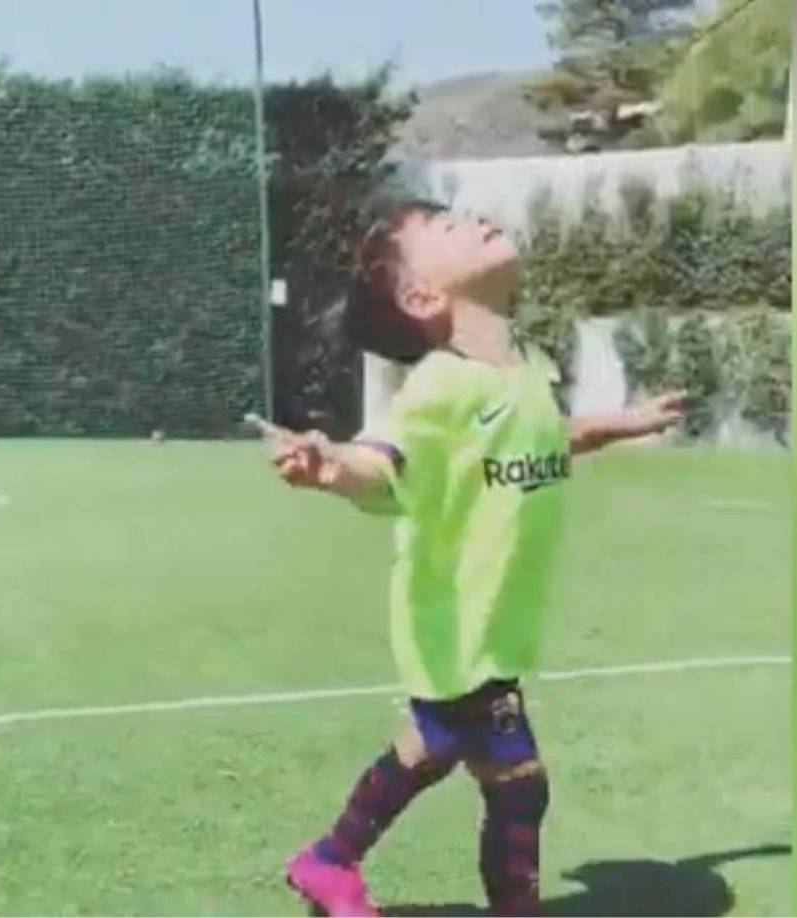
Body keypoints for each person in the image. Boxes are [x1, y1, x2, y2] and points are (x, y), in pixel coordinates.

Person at [248, 200, 685, 917]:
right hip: (454, 626)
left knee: (435, 747)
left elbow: (542, 437)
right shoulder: (439, 384)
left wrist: (621, 423)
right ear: (422, 296)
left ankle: (328, 861)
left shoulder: (527, 367)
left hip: (495, 623)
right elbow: (383, 457)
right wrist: (333, 468)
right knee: (517, 783)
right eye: (448, 229)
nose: (474, 219)